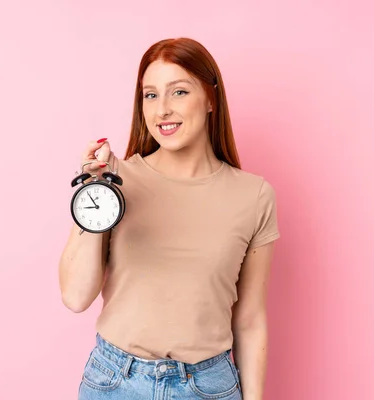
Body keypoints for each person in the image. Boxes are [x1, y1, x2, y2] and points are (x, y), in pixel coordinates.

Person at [59, 37, 280, 400]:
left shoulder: (254, 196)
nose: (162, 109)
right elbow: (76, 296)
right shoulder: (116, 179)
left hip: (208, 386)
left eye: (178, 92)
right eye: (150, 95)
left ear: (211, 99)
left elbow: (250, 319)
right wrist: (93, 193)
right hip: (114, 383)